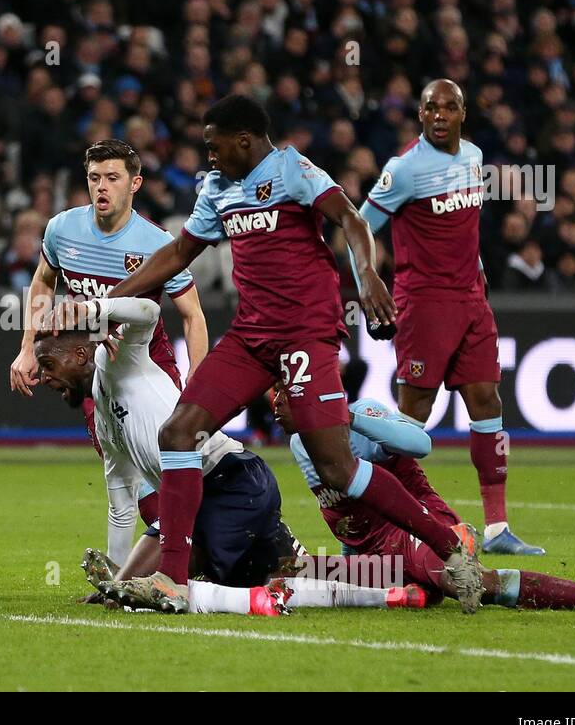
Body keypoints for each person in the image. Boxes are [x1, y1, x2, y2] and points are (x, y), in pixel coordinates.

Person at [105, 94, 485, 613]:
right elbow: (177, 254)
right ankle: (171, 581)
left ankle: (448, 545)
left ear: (244, 140)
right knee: (177, 432)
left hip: (305, 335)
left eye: (215, 148)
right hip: (251, 337)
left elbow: (351, 219)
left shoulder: (292, 169)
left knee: (338, 469)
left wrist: (368, 272)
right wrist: (111, 300)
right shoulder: (217, 188)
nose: (209, 158)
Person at [35, 297, 426, 615]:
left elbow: (149, 311)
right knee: (296, 572)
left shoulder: (120, 359)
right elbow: (122, 498)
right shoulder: (102, 417)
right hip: (196, 503)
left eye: (49, 365)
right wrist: (115, 586)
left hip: (231, 482)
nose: (44, 378)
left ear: (83, 353)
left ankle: (255, 601)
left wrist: (95, 309)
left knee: (163, 594)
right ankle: (397, 587)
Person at [273, 388, 575, 613]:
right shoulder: (297, 445)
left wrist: (348, 417)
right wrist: (350, 566)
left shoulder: (361, 411)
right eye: (270, 393)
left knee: (471, 583)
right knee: (293, 569)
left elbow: (421, 443)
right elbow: (349, 521)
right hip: (378, 557)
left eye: (281, 392)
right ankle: (413, 589)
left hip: (419, 525)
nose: (273, 403)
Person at [356, 79, 544, 555]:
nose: (439, 115)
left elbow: (466, 231)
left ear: (464, 113)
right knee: (413, 417)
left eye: (449, 107)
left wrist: (478, 278)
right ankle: (373, 519)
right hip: (424, 303)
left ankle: (498, 530)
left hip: (471, 301)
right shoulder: (404, 170)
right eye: (430, 108)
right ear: (419, 115)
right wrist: (368, 280)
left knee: (487, 402)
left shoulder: (475, 158)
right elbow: (360, 224)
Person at [10, 139, 208, 464]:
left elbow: (192, 314)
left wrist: (197, 377)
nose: (102, 187)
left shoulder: (158, 243)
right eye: (94, 177)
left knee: (175, 455)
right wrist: (28, 347)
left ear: (135, 183)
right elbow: (44, 280)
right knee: (121, 464)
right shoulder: (62, 228)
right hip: (92, 368)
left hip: (149, 364)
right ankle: (160, 518)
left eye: (112, 178)